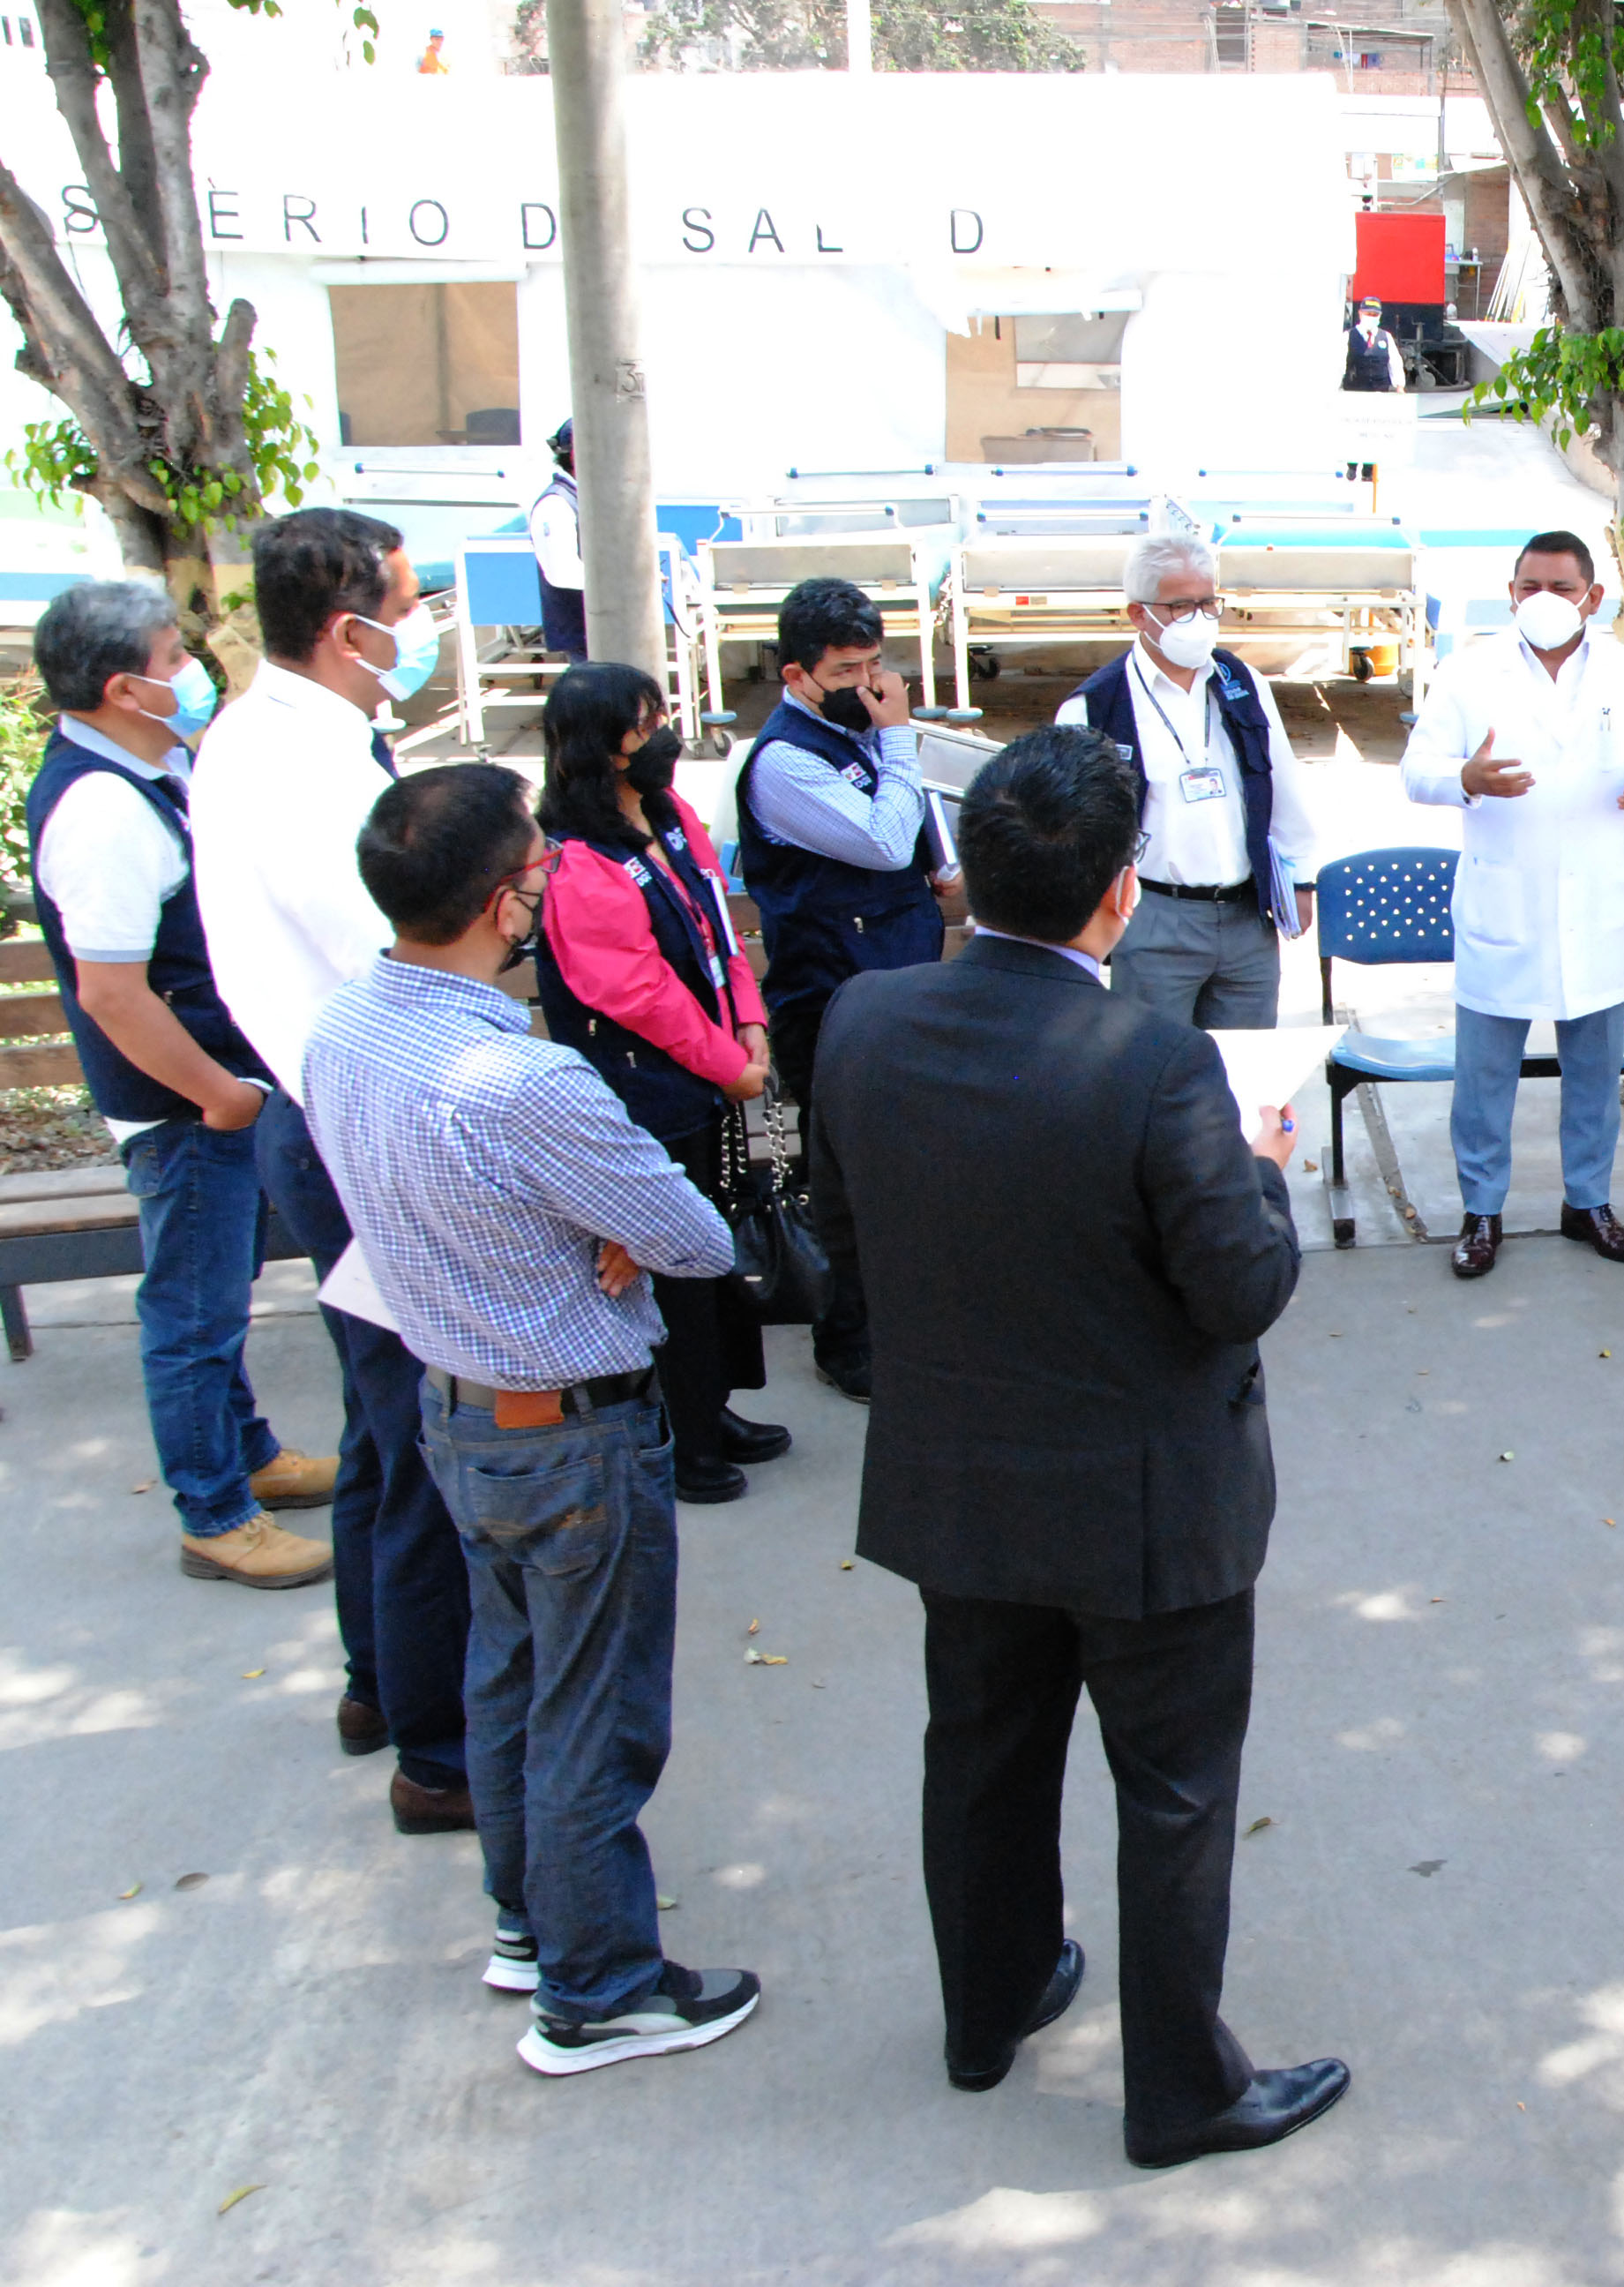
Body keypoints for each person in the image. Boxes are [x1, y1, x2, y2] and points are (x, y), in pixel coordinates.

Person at [808, 726, 1350, 2166]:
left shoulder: (861, 1023)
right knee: (1172, 1793)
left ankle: (984, 2008)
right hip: (1147, 1504)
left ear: (963, 876)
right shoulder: (1158, 1064)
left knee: (979, 1753)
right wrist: (1265, 1170)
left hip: (960, 1480)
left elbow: (841, 1236)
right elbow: (1239, 1290)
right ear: (1120, 895)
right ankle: (1181, 2088)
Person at [302, 762, 757, 2076]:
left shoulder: (345, 1032)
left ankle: (529, 1921)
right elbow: (691, 1234)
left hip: (456, 1406)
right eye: (540, 875)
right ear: (507, 905)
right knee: (592, 1711)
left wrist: (600, 1229)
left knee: (506, 1679)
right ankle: (600, 1984)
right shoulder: (520, 1081)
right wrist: (613, 1231)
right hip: (570, 1429)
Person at [191, 505, 475, 1830]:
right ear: (348, 623)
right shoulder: (289, 764)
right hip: (364, 1117)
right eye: (408, 606)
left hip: (344, 1106)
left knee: (382, 1428)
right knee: (426, 1441)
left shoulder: (300, 737)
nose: (419, 631)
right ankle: (439, 1750)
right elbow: (391, 946)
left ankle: (379, 1684)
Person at [24, 581, 336, 1587]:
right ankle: (214, 1509)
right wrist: (217, 1093)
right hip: (184, 1107)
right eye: (173, 659)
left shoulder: (149, 771)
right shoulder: (101, 809)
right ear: (125, 687)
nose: (192, 672)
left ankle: (248, 1457)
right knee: (193, 1316)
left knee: (219, 1303)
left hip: (210, 1093)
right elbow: (114, 994)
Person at [1402, 531, 1624, 1278]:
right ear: (1510, 593)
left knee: (1595, 1072)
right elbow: (1417, 771)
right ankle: (1481, 1211)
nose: (1542, 600)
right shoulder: (1469, 672)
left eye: (1560, 588)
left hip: (1593, 903)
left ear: (1593, 598)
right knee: (1485, 1077)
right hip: (1506, 900)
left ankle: (1587, 1203)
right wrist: (1465, 777)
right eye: (1528, 585)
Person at [531, 662, 790, 1506]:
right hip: (645, 1093)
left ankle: (713, 1408)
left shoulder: (672, 815)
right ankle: (681, 1437)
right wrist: (731, 1065)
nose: (665, 734)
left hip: (716, 1072)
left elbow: (717, 920)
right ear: (602, 748)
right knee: (670, 1267)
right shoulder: (578, 860)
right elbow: (637, 995)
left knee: (712, 1260)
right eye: (647, 723)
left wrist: (749, 1023)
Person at [732, 575, 947, 1401]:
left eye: (875, 666)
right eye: (847, 673)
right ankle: (847, 1341)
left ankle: (902, 1321)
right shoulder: (786, 759)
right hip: (832, 1001)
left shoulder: (854, 733)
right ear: (795, 677)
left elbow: (910, 836)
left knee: (905, 1171)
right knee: (849, 1182)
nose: (869, 687)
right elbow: (885, 840)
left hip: (893, 982)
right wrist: (897, 742)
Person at [1051, 530, 1319, 1027]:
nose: (1199, 620)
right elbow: (1071, 834)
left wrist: (1300, 880)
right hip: (1154, 919)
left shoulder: (1243, 685)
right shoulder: (1093, 707)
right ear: (1138, 614)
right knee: (1157, 1077)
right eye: (1180, 607)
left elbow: (1281, 785)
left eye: (1208, 603)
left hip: (1246, 915)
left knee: (1249, 1075)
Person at [525, 419, 584, 661]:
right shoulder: (556, 504)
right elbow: (563, 573)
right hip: (585, 638)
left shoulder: (584, 498)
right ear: (574, 456)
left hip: (605, 632)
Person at [1339, 295, 1403, 393]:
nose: (1371, 317)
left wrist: (1400, 386)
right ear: (1360, 313)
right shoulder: (1348, 336)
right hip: (1354, 392)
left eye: (1375, 315)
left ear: (1380, 316)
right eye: (1368, 314)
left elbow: (1395, 363)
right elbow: (1340, 363)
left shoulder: (1386, 337)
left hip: (1381, 392)